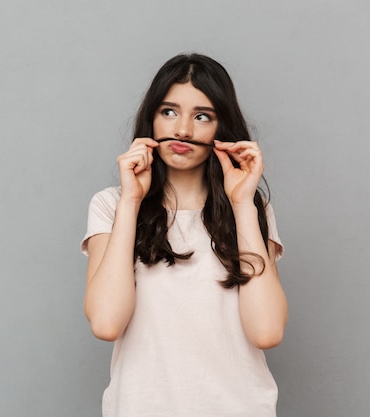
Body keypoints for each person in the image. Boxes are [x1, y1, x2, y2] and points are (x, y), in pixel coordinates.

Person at [81, 53, 288, 417]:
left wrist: (241, 203)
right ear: (152, 119)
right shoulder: (111, 204)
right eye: (169, 112)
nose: (183, 131)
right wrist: (131, 201)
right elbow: (106, 322)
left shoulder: (252, 209)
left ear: (221, 129)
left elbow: (267, 331)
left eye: (202, 116)